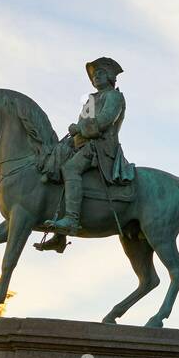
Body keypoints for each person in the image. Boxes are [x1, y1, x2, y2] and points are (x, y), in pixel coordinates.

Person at [43, 58, 134, 238]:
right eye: (93, 76)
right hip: (82, 144)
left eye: (99, 74)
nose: (95, 78)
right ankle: (58, 237)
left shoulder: (114, 96)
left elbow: (105, 120)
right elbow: (81, 122)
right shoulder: (91, 100)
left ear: (110, 76)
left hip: (101, 146)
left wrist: (80, 129)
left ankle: (72, 219)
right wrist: (73, 134)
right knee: (55, 164)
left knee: (70, 169)